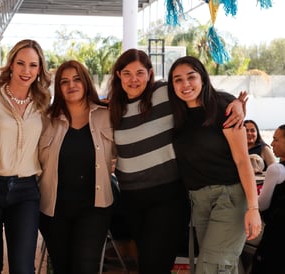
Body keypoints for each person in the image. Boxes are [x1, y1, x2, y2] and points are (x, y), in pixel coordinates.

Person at [107, 49, 245, 274]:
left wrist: (235, 103)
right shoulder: (113, 108)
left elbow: (204, 94)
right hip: (132, 199)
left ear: (150, 74)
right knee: (147, 262)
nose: (134, 80)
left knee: (154, 264)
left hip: (167, 196)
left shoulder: (164, 93)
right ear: (119, 76)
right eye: (127, 74)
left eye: (140, 73)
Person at [168, 56, 262, 273]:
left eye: (191, 77)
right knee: (222, 267)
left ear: (203, 78)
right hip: (199, 201)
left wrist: (253, 207)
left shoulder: (223, 108)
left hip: (229, 198)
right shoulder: (177, 114)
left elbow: (242, 160)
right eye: (178, 80)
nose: (185, 85)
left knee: (211, 268)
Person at [0, 39, 51, 274]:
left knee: (23, 267)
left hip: (26, 191)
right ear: (11, 65)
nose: (26, 71)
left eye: (32, 65)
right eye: (20, 63)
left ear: (39, 69)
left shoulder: (44, 102)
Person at [38, 60, 115, 274]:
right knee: (62, 268)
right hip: (54, 210)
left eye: (76, 79)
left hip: (95, 208)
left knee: (85, 268)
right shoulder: (46, 120)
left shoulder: (107, 115)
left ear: (86, 82)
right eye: (64, 81)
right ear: (58, 88)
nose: (71, 85)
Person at [251, 124, 285, 274]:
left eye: (276, 140)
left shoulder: (276, 170)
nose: (271, 144)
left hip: (276, 236)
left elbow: (262, 205)